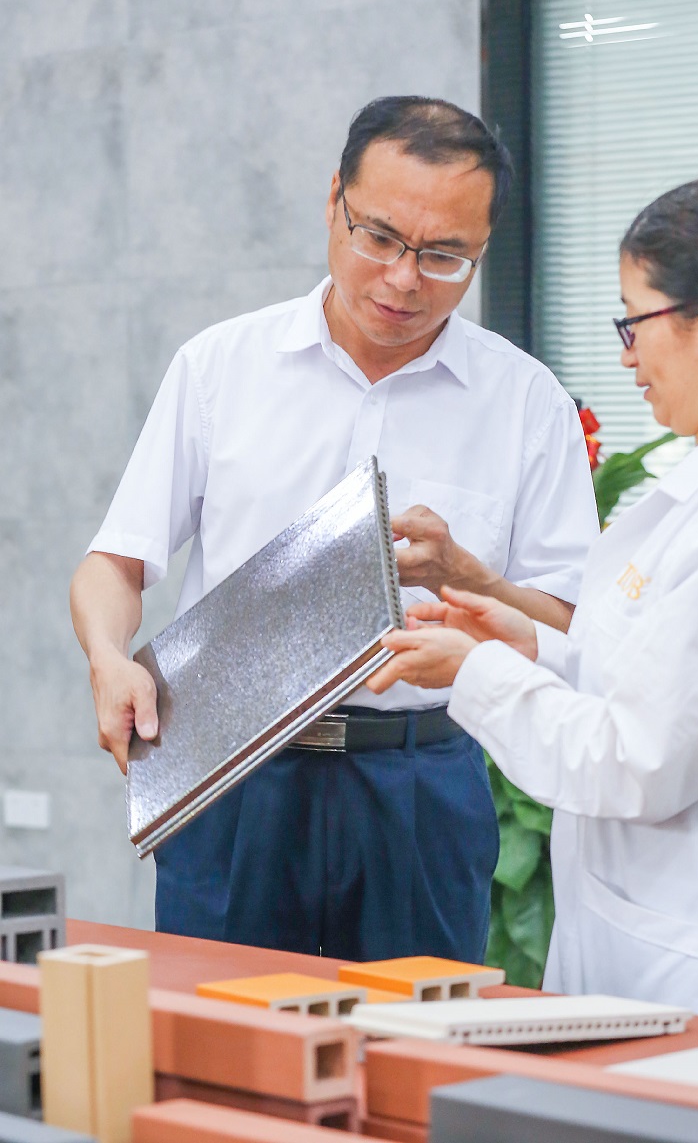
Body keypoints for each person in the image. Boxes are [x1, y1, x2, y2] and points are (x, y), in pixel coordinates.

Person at [70, 96, 598, 961]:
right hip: (235, 774)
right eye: (379, 237)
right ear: (333, 202)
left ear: (483, 247)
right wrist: (107, 656)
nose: (404, 280)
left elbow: (572, 625)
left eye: (443, 256)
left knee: (415, 1037)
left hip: (421, 781)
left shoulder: (526, 402)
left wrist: (469, 576)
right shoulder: (221, 367)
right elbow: (113, 563)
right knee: (220, 1026)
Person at [367, 172, 698, 1025]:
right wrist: (532, 645)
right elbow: (658, 681)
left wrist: (475, 672)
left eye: (634, 322)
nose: (626, 355)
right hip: (651, 934)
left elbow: (640, 757)